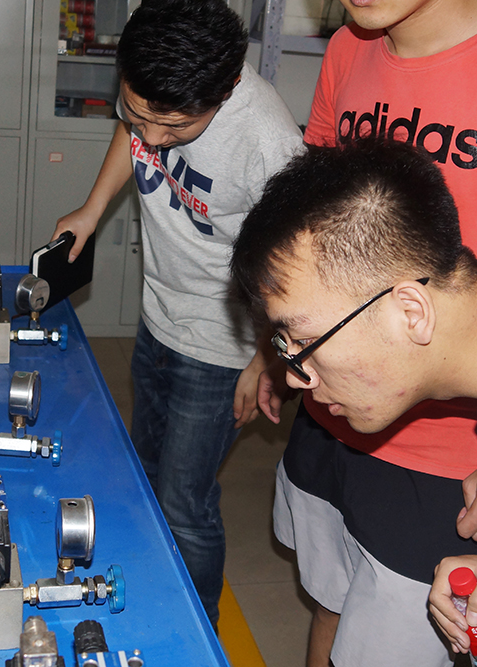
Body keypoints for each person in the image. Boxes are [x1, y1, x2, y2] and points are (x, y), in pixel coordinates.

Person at [256, 0, 477, 662]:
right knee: (330, 599)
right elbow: (308, 229)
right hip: (338, 404)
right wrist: (280, 347)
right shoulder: (350, 46)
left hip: (462, 453)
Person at [50, 0, 303, 626]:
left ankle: (196, 632)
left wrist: (266, 358)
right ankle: (144, 587)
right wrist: (92, 209)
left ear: (225, 89)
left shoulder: (268, 141)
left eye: (177, 128)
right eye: (141, 115)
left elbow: (299, 261)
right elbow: (130, 132)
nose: (154, 139)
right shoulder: (150, 88)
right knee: (144, 472)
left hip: (224, 346)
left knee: (184, 502)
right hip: (159, 314)